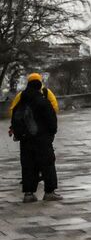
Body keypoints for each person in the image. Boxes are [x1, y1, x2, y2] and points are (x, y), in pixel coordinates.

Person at [8, 73, 60, 202]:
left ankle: (29, 194)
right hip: (42, 139)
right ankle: (49, 192)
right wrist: (51, 134)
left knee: (28, 166)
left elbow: (14, 116)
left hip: (26, 139)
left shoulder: (21, 100)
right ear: (39, 86)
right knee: (47, 164)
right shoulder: (43, 101)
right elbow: (52, 120)